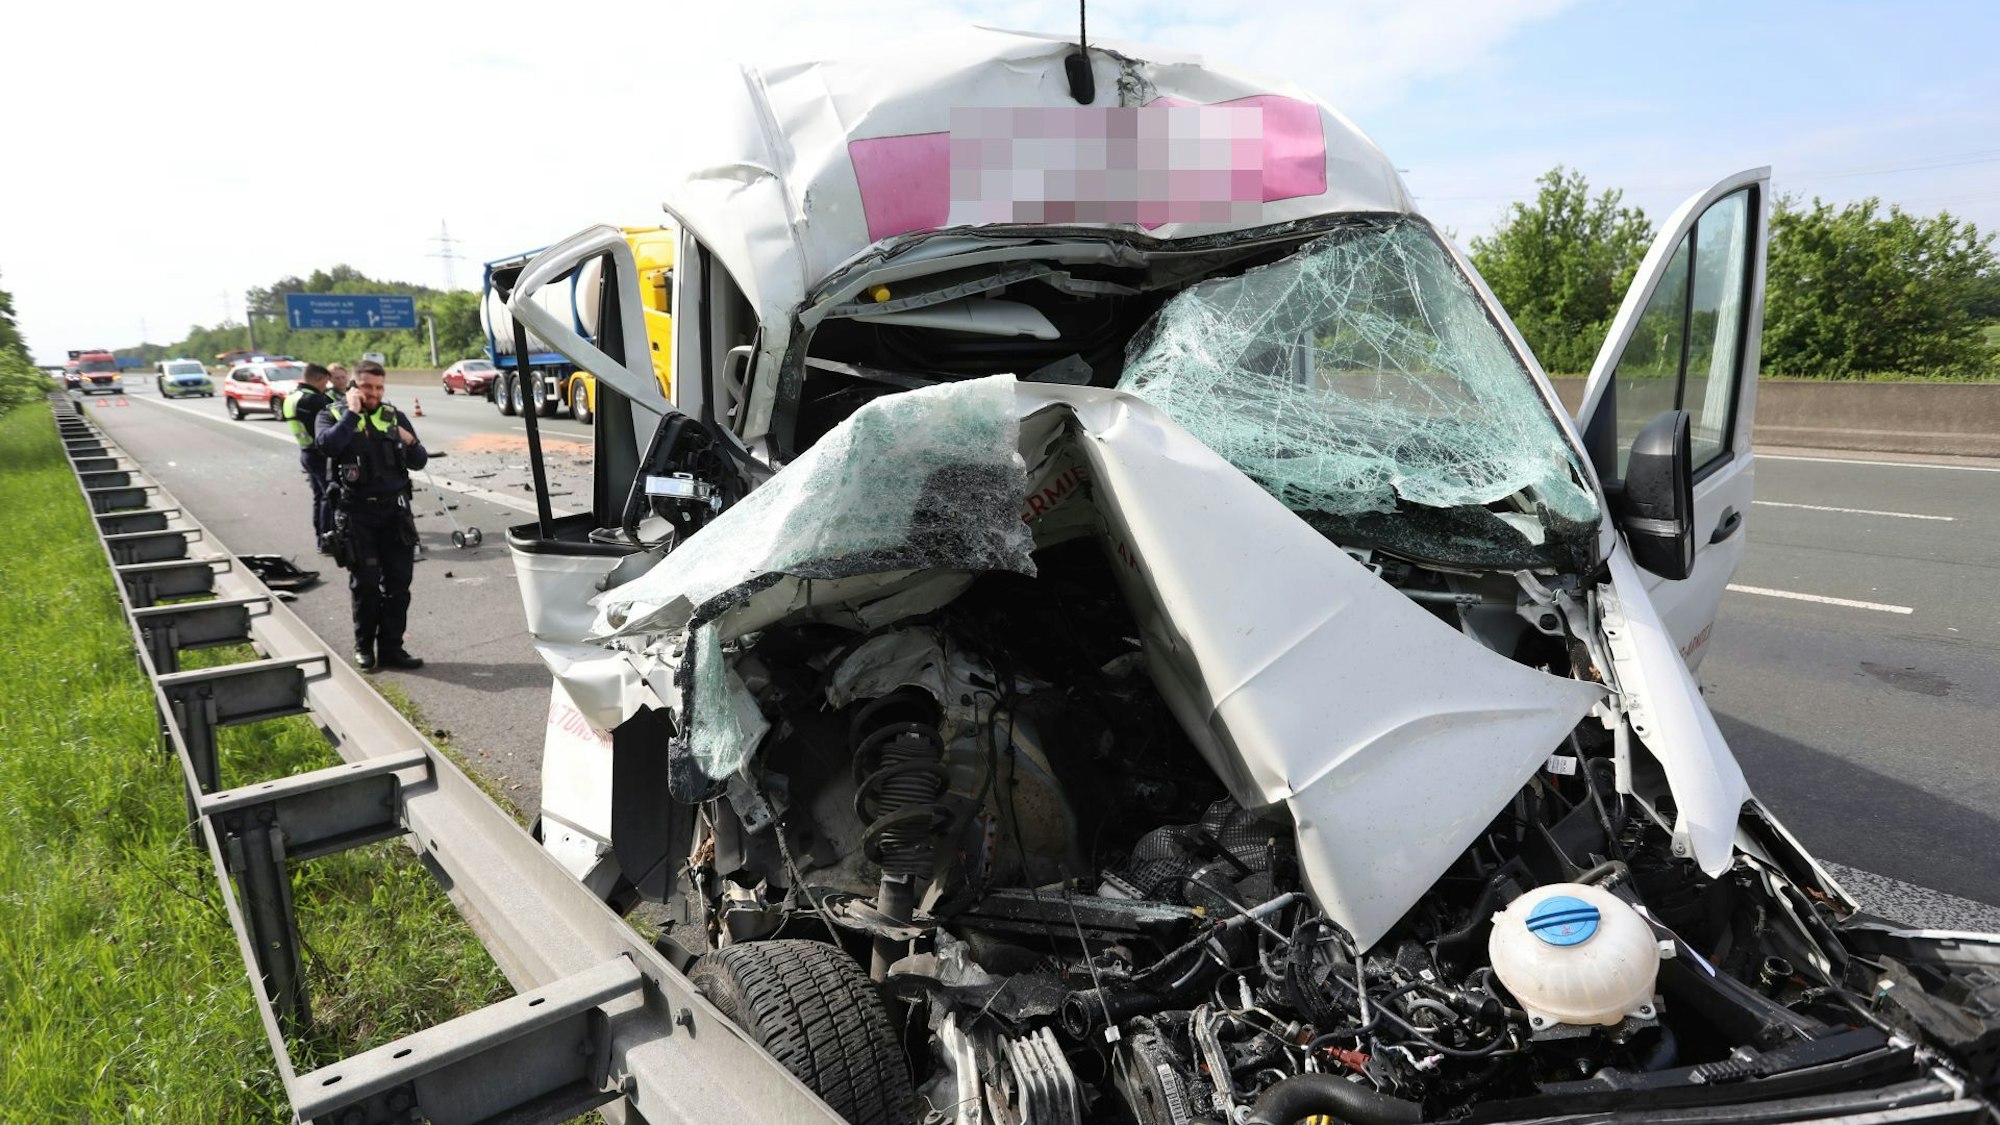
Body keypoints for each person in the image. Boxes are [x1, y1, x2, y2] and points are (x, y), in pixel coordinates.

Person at [316, 361, 427, 672]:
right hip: (356, 515)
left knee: (399, 585)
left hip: (394, 513)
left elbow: (419, 461)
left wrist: (410, 440)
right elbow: (327, 446)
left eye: (379, 388)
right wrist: (352, 414)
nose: (374, 394)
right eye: (368, 387)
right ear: (354, 386)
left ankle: (392, 649)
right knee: (365, 585)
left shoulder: (392, 416)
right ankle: (364, 647)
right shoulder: (334, 414)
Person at [281, 364, 338, 552]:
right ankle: (327, 540)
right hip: (319, 454)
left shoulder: (290, 398)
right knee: (329, 497)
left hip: (305, 452)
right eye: (326, 381)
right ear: (319, 379)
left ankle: (320, 537)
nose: (326, 385)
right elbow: (333, 422)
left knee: (319, 497)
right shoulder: (313, 400)